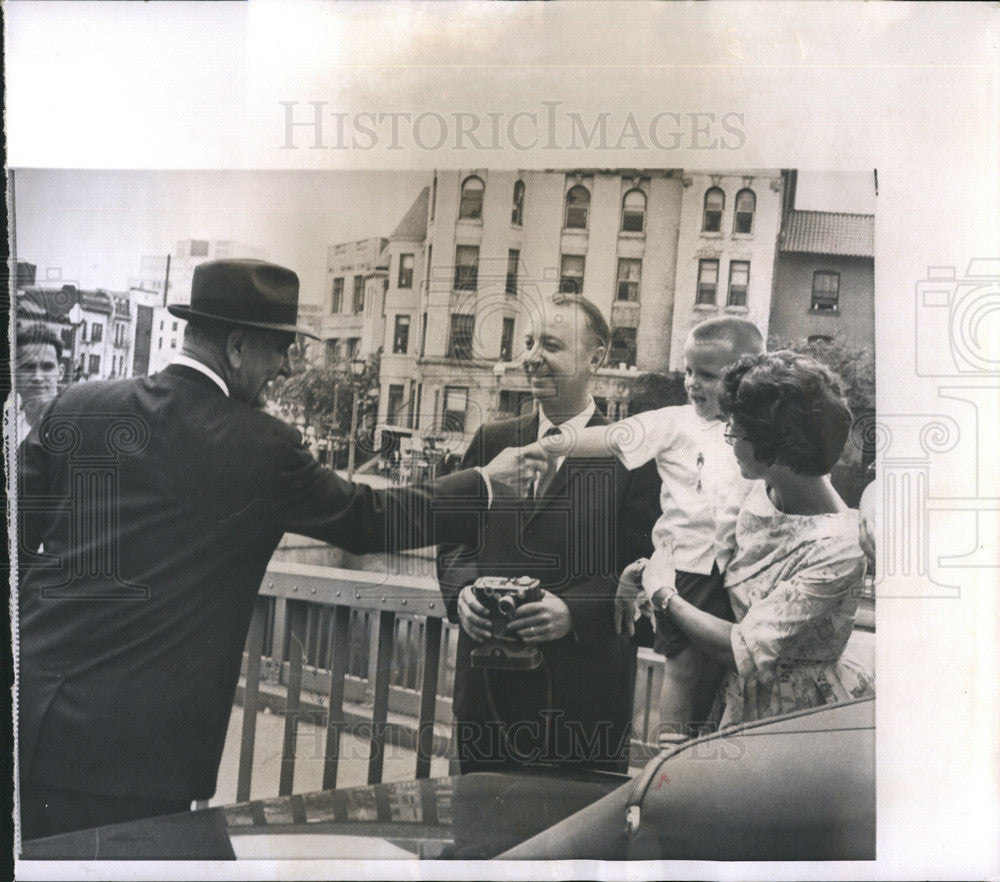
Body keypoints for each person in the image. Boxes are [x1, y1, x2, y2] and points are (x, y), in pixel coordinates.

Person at [17, 259, 545, 840]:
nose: (288, 369)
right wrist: (487, 483)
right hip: (141, 759)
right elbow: (370, 519)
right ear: (239, 347)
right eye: (280, 350)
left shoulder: (80, 406)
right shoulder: (263, 446)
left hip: (29, 722)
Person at [436, 291, 660, 774]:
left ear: (595, 358)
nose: (532, 358)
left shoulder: (635, 454)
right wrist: (464, 592)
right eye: (530, 342)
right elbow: (455, 541)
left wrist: (575, 612)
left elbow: (646, 565)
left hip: (582, 708)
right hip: (486, 700)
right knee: (475, 840)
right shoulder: (492, 440)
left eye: (552, 346)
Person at [531, 317, 765, 738]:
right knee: (683, 666)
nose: (693, 383)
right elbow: (612, 437)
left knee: (733, 670)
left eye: (707, 375)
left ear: (745, 377)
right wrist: (549, 444)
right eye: (689, 371)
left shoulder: (759, 430)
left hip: (742, 569)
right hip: (688, 566)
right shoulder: (675, 421)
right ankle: (668, 757)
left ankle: (709, 761)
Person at [632, 351, 876, 728]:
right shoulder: (758, 489)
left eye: (735, 432)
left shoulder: (840, 547)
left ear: (774, 450)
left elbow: (744, 648)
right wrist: (642, 572)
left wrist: (664, 594)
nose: (729, 442)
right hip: (731, 700)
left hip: (797, 718)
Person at [13, 322, 63, 440]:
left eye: (47, 367)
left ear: (60, 372)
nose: (38, 377)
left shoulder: (77, 425)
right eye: (28, 368)